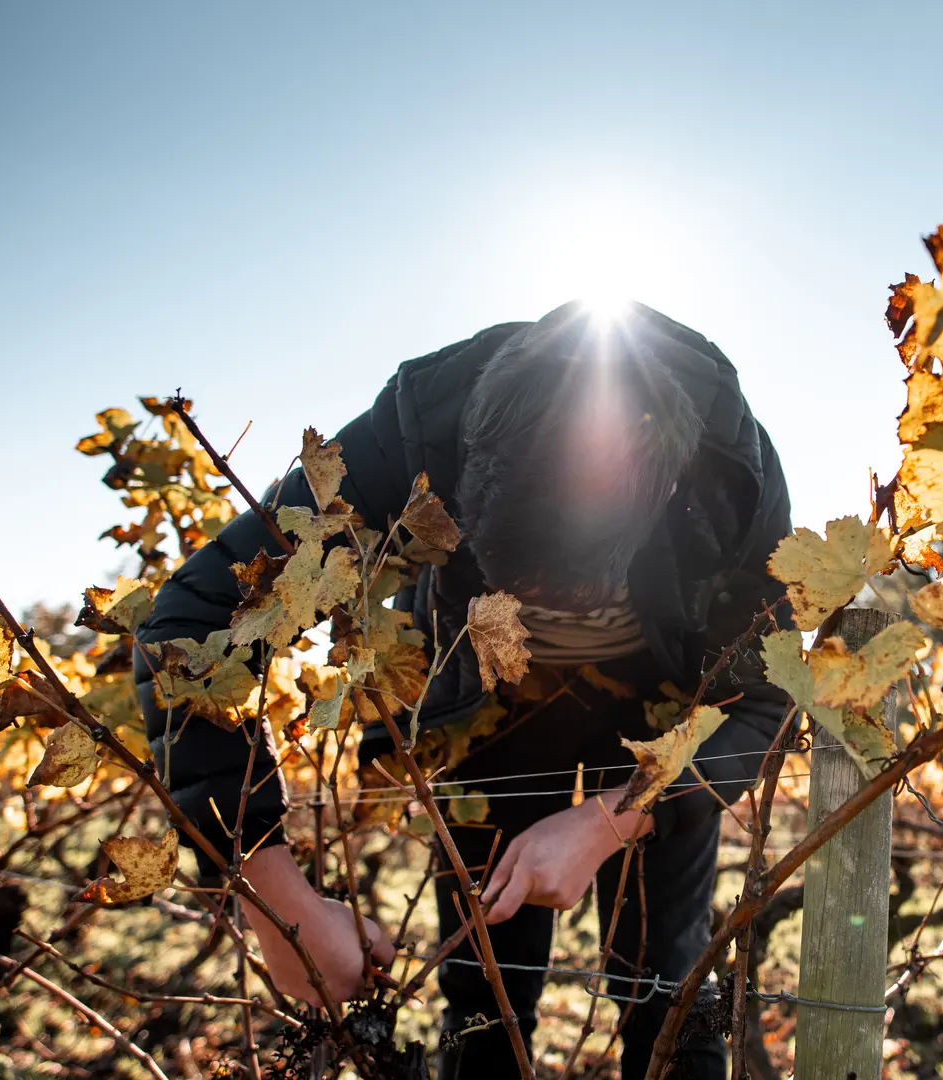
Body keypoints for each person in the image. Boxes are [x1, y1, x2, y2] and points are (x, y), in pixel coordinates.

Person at [133, 300, 792, 1079]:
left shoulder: (729, 472)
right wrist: (280, 904)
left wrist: (615, 818)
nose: (547, 614)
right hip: (486, 717)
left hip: (662, 722)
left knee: (666, 987)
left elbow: (761, 699)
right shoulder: (412, 431)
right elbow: (186, 625)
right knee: (484, 994)